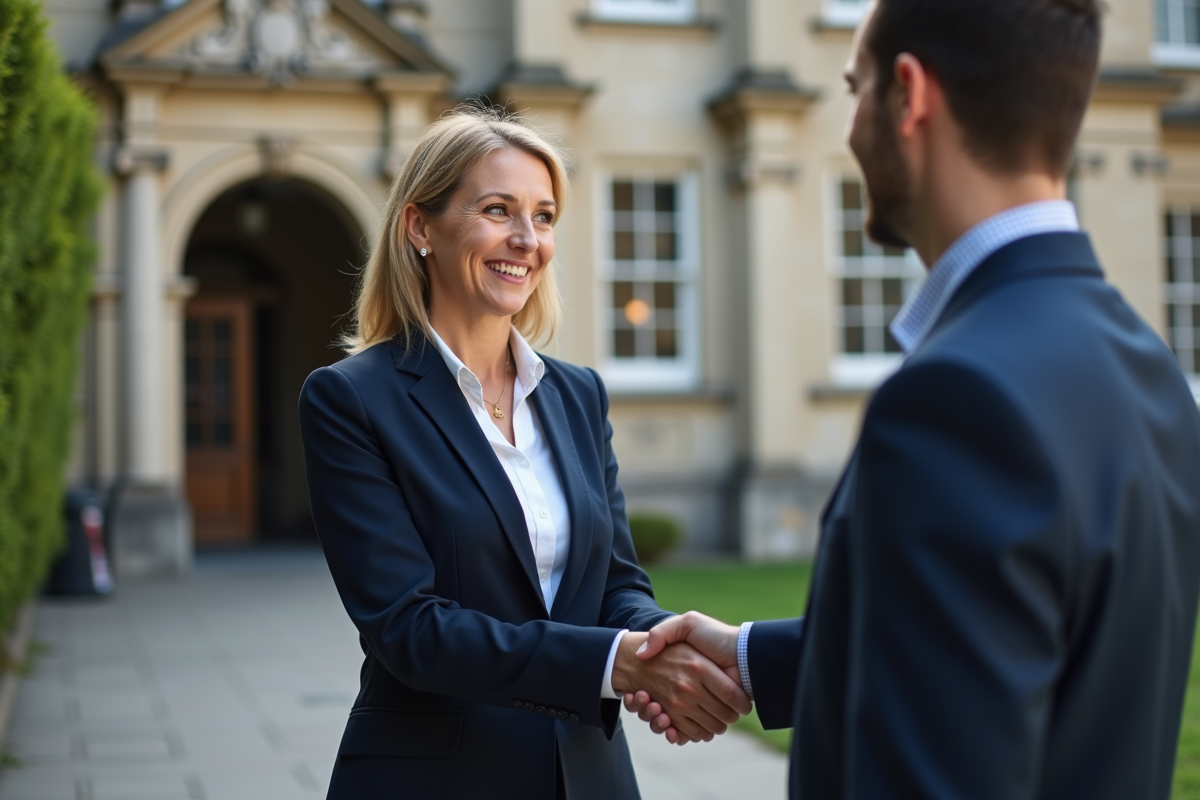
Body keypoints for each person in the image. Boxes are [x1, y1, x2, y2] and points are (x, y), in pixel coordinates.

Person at [626, 1, 1200, 798]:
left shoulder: (954, 396)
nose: (850, 128)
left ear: (909, 95)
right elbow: (1024, 643)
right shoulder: (1150, 366)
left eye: (855, 89)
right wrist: (756, 658)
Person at [298, 108, 750, 800]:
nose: (527, 240)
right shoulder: (350, 399)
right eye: (497, 210)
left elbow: (614, 586)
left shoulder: (577, 394)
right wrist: (618, 662)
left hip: (590, 776)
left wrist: (668, 643)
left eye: (543, 217)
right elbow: (409, 628)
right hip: (436, 779)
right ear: (420, 227)